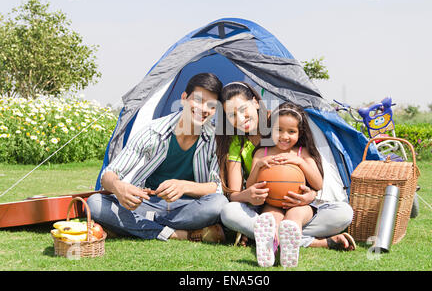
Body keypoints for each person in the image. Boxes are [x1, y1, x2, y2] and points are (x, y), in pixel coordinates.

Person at [87, 73, 228, 243]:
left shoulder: (215, 139)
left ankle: (134, 227)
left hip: (187, 208)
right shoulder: (153, 131)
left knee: (218, 204)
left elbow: (216, 188)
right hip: (148, 203)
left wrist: (184, 186)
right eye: (198, 100)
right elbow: (109, 174)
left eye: (211, 105)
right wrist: (119, 187)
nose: (204, 109)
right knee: (95, 203)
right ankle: (180, 234)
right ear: (184, 98)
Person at [217, 81, 356, 252]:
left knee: (344, 213)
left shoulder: (281, 119)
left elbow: (316, 183)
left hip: (298, 205)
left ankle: (268, 236)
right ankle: (306, 240)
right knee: (229, 212)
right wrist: (249, 194)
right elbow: (235, 194)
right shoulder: (240, 144)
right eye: (231, 115)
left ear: (254, 102)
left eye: (243, 109)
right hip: (266, 205)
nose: (239, 119)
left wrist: (310, 196)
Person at [246, 102, 324, 267]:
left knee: (293, 218)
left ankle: (289, 245)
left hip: (298, 203)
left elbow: (318, 184)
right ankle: (272, 248)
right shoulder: (262, 153)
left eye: (291, 131)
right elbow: (249, 186)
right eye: (278, 130)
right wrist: (259, 165)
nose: (284, 136)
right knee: (271, 219)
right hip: (272, 202)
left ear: (300, 133)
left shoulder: (302, 152)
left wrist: (300, 162)